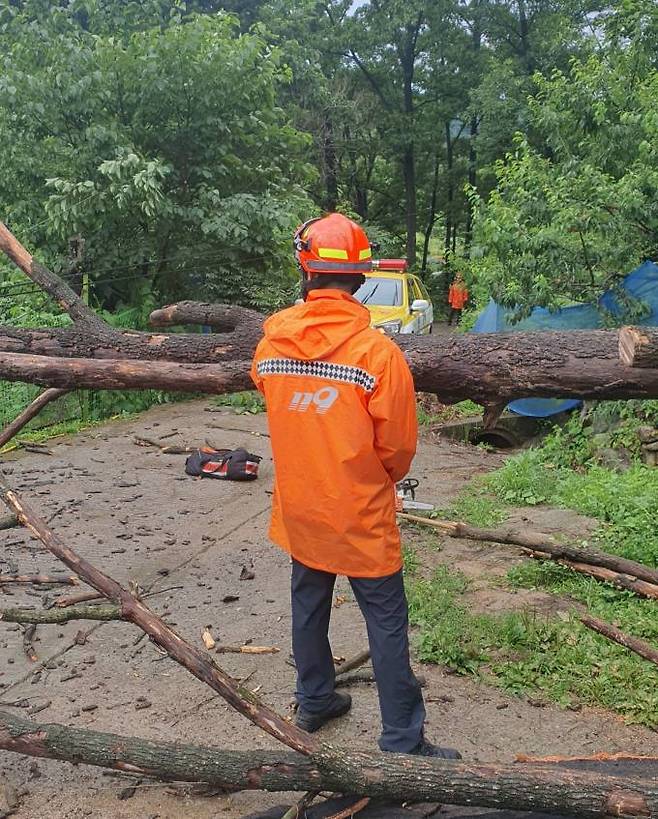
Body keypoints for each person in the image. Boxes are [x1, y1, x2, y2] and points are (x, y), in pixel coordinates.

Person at [250, 213, 461, 759]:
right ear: (361, 277)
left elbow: (270, 395)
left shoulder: (270, 344)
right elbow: (398, 447)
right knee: (386, 621)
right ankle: (402, 740)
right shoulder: (377, 355)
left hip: (301, 504)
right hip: (359, 511)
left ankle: (315, 699)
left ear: (306, 269)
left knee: (308, 603)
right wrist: (373, 480)